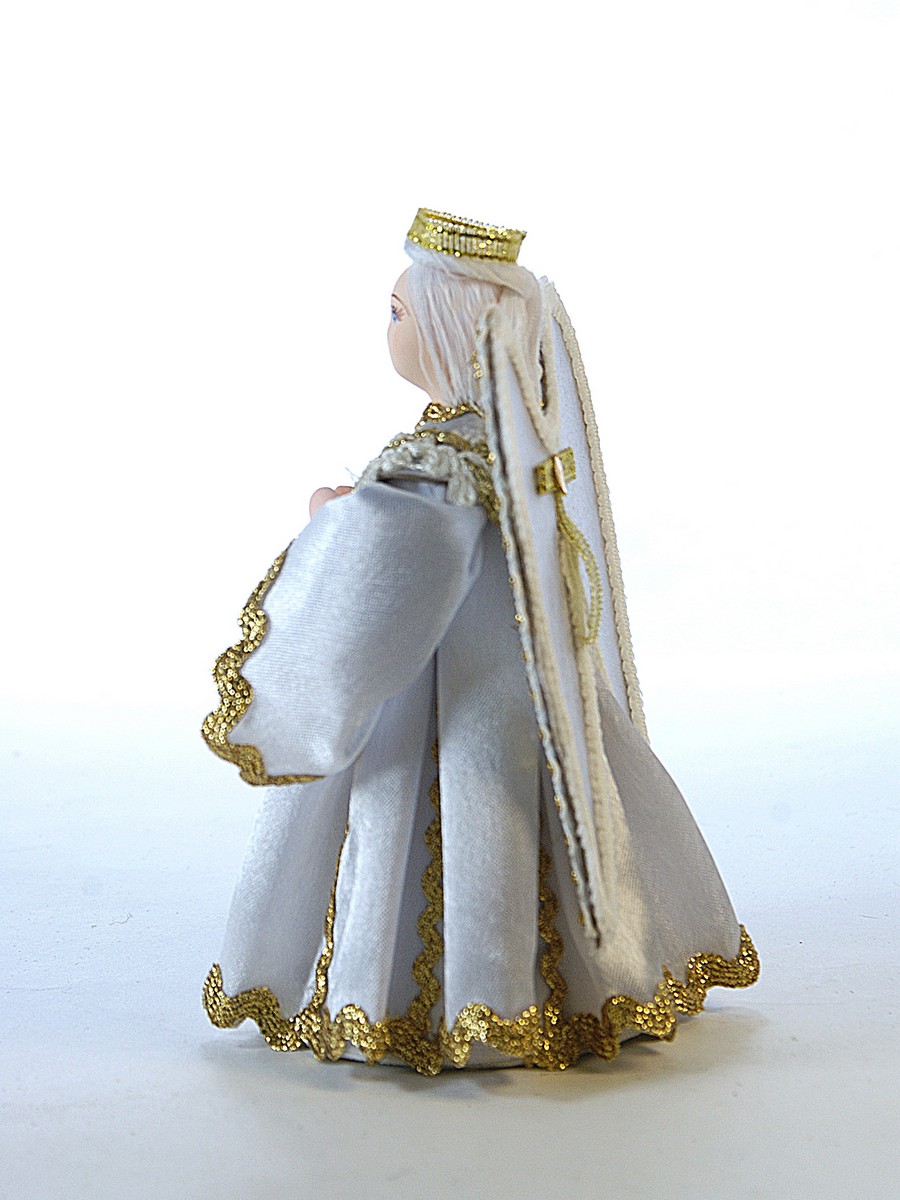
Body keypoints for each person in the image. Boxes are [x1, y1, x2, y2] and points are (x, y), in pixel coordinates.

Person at [201, 209, 759, 1074]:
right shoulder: (504, 440)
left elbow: (390, 568)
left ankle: (466, 1002)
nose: (388, 328)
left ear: (449, 330)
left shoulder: (445, 457)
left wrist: (329, 516)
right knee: (524, 810)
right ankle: (567, 979)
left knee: (457, 809)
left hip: (453, 690)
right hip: (515, 675)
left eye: (398, 313)